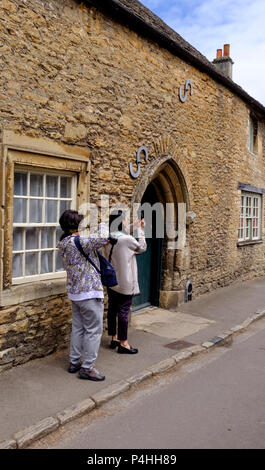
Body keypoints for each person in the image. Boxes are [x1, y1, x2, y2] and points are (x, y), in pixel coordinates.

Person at [57, 209, 109, 381]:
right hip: (89, 293)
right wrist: (102, 223)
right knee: (94, 330)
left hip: (75, 293)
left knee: (78, 328)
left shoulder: (64, 243)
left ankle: (74, 362)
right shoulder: (79, 241)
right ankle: (88, 368)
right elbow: (102, 237)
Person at [103, 210, 146, 354]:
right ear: (121, 221)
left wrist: (133, 225)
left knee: (113, 309)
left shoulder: (109, 237)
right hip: (125, 281)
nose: (127, 221)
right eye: (126, 219)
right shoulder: (127, 240)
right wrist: (140, 229)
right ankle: (123, 343)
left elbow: (122, 235)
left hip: (112, 280)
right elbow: (142, 247)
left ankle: (114, 338)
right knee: (123, 311)